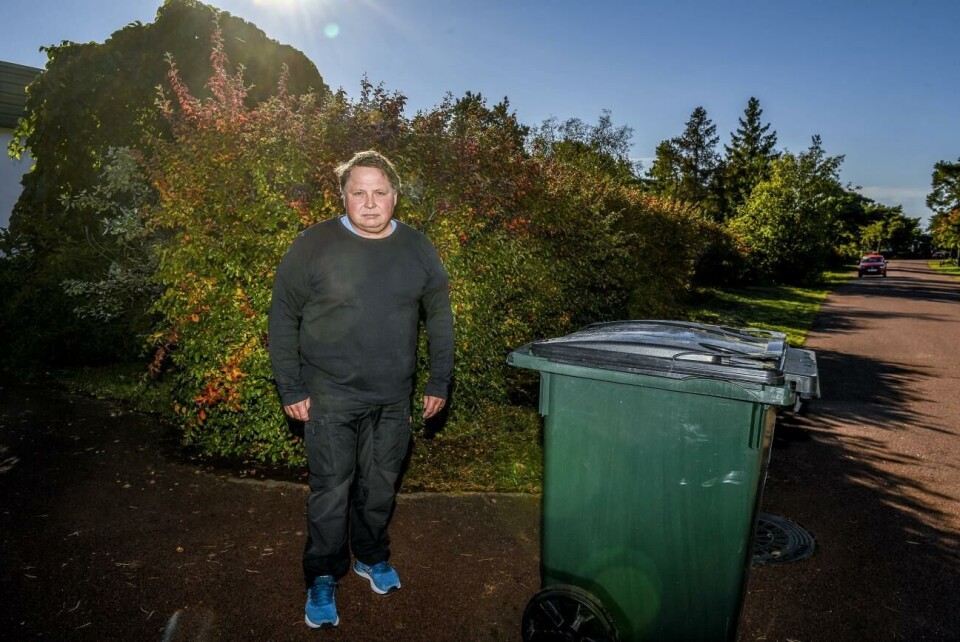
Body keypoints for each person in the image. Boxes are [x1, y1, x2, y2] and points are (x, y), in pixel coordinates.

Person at [268, 150, 455, 629]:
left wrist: (439, 379)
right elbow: (283, 316)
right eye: (358, 193)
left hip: (394, 396)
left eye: (379, 193)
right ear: (343, 197)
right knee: (332, 491)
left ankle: (370, 556)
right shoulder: (313, 245)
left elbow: (438, 317)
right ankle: (323, 575)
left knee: (379, 487)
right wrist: (290, 385)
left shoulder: (418, 248)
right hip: (329, 394)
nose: (369, 203)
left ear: (395, 196)